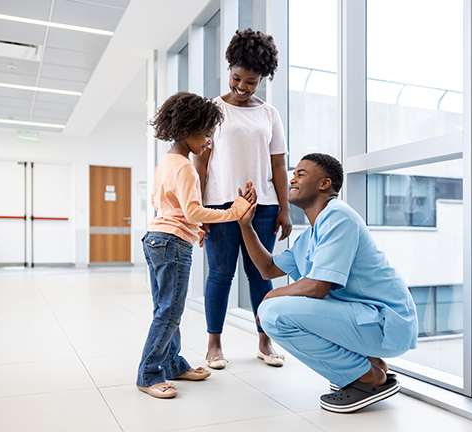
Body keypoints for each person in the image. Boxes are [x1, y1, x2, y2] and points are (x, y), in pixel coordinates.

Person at [237, 153, 419, 413]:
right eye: (294, 174)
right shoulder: (311, 233)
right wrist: (246, 226)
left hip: (385, 322)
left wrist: (272, 296)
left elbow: (317, 287)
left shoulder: (338, 216)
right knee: (278, 308)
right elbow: (267, 269)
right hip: (365, 320)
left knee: (273, 314)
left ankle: (366, 377)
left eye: (301, 174)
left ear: (324, 184)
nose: (292, 179)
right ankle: (369, 364)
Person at [137, 92, 256, 399]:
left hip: (156, 239)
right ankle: (149, 374)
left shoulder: (165, 163)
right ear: (188, 130)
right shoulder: (187, 167)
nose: (208, 143)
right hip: (173, 244)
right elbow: (192, 211)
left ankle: (174, 364)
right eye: (205, 135)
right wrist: (233, 212)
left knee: (166, 308)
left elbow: (158, 202)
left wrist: (192, 228)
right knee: (170, 312)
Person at [193, 28, 291, 369]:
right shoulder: (212, 109)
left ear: (262, 78)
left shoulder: (270, 114)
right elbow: (200, 163)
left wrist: (285, 209)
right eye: (237, 78)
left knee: (259, 275)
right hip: (220, 205)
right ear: (229, 69)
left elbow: (279, 164)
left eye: (251, 81)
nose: (242, 87)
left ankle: (265, 340)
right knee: (220, 274)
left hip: (263, 206)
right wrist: (200, 212)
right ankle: (214, 345)